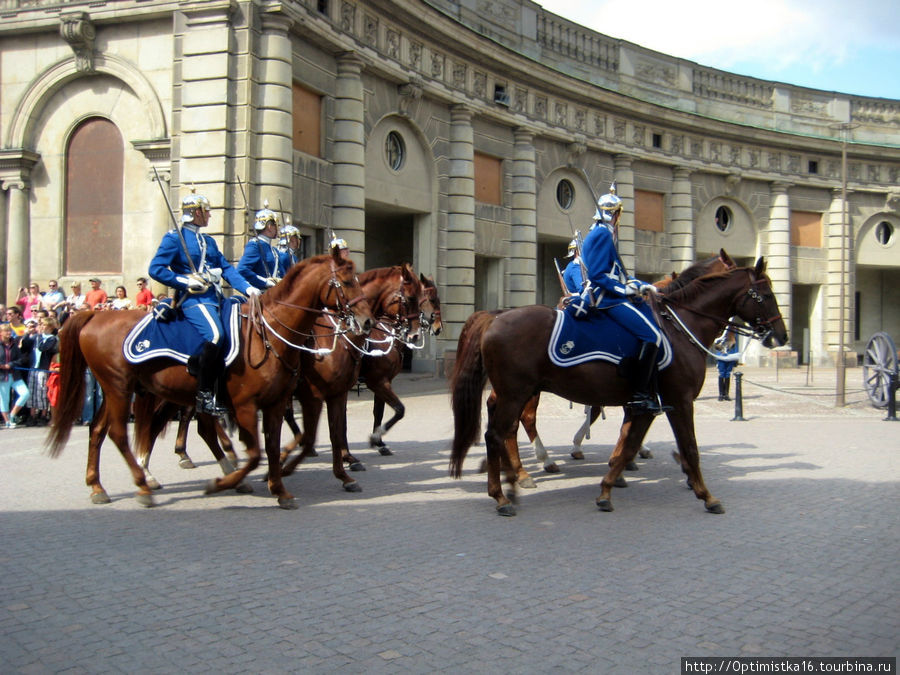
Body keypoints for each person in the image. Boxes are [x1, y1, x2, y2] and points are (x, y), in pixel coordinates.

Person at [148, 188, 260, 415]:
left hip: (216, 297)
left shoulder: (208, 241)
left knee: (239, 332)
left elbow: (227, 268)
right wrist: (184, 280)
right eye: (206, 211)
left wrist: (248, 288)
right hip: (193, 299)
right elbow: (156, 269)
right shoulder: (174, 238)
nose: (209, 215)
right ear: (196, 213)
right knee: (215, 335)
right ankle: (204, 394)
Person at [578, 181, 665, 414]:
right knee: (653, 336)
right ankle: (639, 394)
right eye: (618, 214)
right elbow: (597, 275)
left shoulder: (602, 233)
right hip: (606, 298)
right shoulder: (602, 234)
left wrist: (641, 286)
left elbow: (617, 273)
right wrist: (623, 291)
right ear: (616, 214)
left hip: (611, 293)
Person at [238, 205, 293, 290]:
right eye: (276, 225)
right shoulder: (254, 245)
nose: (278, 229)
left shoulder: (274, 250)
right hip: (261, 294)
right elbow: (242, 270)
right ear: (269, 227)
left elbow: (282, 274)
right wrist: (265, 282)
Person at [21, 316, 58, 426]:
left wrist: (40, 336)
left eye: (44, 325)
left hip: (43, 368)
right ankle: (32, 415)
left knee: (41, 392)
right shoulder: (36, 337)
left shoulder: (52, 339)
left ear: (50, 327)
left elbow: (43, 347)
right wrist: (27, 334)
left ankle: (42, 414)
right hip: (33, 368)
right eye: (40, 324)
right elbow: (25, 345)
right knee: (32, 392)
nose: (41, 327)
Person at [0, 323, 30, 428]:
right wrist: (3, 366)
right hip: (3, 376)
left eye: (9, 331)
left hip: (15, 375)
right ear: (1, 333)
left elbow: (21, 359)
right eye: (6, 331)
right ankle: (7, 421)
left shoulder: (14, 344)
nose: (9, 333)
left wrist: (11, 364)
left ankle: (12, 414)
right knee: (4, 399)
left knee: (25, 393)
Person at [714, 329, 740, 401]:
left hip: (731, 356)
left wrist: (736, 359)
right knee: (722, 374)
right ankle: (721, 394)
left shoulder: (734, 334)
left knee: (728, 374)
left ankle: (726, 394)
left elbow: (736, 347)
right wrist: (720, 348)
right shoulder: (720, 334)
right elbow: (715, 345)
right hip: (721, 357)